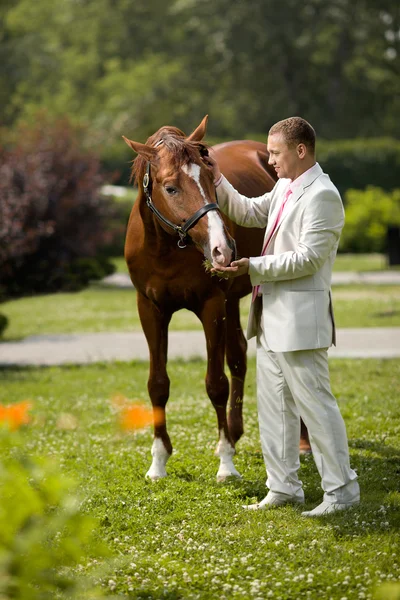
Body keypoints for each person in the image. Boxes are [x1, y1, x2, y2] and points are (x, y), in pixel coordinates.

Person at [207, 116, 360, 516]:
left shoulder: (323, 195)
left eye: (275, 152)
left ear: (300, 150)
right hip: (270, 318)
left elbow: (309, 259)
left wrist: (250, 268)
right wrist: (217, 178)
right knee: (274, 408)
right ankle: (283, 488)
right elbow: (248, 210)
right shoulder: (284, 187)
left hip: (301, 320)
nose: (270, 159)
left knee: (316, 407)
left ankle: (342, 492)